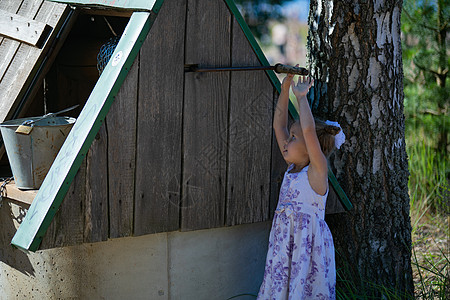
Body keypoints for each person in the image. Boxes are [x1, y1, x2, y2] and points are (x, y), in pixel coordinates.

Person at [257, 69, 345, 299]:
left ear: (310, 146)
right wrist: (285, 89)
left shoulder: (317, 171)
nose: (286, 141)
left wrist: (302, 98)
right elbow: (279, 126)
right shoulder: (292, 170)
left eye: (293, 138)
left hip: (307, 252)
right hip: (284, 248)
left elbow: (307, 130)